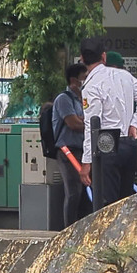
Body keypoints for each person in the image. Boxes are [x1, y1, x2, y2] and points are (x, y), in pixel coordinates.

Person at [80, 37, 137, 209]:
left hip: (106, 141)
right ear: (103, 56)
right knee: (125, 202)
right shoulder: (124, 75)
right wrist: (135, 124)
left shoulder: (91, 86)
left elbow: (92, 124)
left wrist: (86, 161)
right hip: (129, 141)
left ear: (82, 59)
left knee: (107, 204)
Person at [52, 62, 92, 226]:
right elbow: (73, 123)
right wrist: (88, 123)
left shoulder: (84, 100)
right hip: (68, 152)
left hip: (83, 150)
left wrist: (84, 120)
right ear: (74, 81)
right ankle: (69, 229)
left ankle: (83, 227)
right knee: (74, 191)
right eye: (85, 78)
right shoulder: (64, 99)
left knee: (86, 192)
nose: (87, 81)